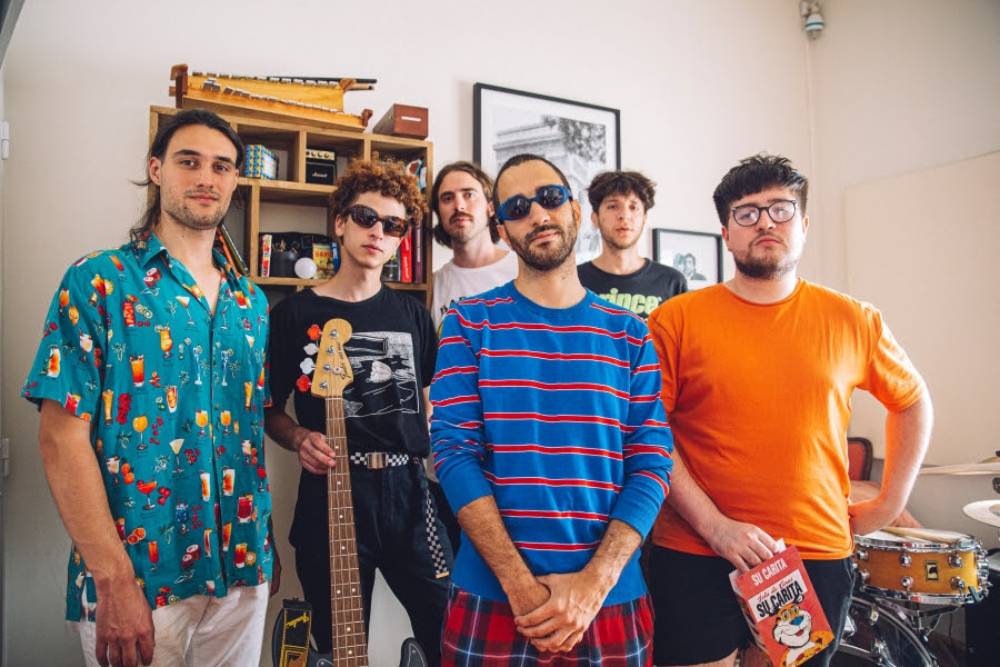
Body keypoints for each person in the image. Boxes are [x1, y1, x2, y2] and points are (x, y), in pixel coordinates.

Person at [645, 154, 932, 667]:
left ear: (803, 225)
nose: (765, 223)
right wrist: (714, 525)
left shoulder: (854, 319)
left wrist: (890, 503)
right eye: (747, 213)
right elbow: (649, 429)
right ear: (726, 233)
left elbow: (911, 401)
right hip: (694, 548)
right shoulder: (676, 319)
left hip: (812, 551)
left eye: (781, 209)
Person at [21, 109, 274, 667]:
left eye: (222, 166)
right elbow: (60, 438)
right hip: (138, 577)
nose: (206, 177)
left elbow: (248, 435)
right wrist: (111, 580)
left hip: (242, 569)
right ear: (156, 169)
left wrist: (265, 547)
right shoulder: (98, 280)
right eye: (189, 161)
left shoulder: (251, 302)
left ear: (235, 180)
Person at [431, 153, 674, 665]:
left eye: (550, 197)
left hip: (610, 597)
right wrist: (519, 585)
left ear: (576, 211)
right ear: (502, 230)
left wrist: (594, 584)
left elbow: (652, 462)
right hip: (493, 596)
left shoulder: (630, 334)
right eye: (518, 207)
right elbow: (453, 455)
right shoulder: (469, 323)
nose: (538, 214)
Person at [265, 159, 452, 665]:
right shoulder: (293, 314)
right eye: (367, 218)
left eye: (393, 225)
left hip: (411, 493)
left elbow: (432, 399)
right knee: (338, 643)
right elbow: (267, 409)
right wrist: (298, 437)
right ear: (341, 222)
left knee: (451, 631)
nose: (378, 232)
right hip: (331, 491)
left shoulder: (414, 315)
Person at [577, 171, 686, 318]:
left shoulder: (672, 282)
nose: (624, 215)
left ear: (644, 218)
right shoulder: (574, 281)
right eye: (613, 206)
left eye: (633, 207)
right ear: (595, 218)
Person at [430, 160, 518, 328]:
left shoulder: (522, 271)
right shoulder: (433, 286)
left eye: (469, 195)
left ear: (491, 207)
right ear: (439, 213)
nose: (459, 206)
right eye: (447, 198)